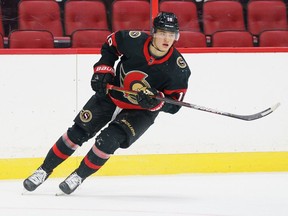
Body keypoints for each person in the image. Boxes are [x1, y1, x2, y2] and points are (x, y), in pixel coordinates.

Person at [23, 12, 191, 195]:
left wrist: (157, 101)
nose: (166, 39)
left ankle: (78, 176)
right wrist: (104, 69)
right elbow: (111, 46)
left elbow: (174, 105)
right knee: (77, 132)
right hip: (111, 94)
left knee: (108, 141)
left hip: (140, 111)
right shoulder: (132, 40)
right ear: (153, 32)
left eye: (171, 34)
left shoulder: (178, 68)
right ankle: (43, 170)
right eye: (162, 33)